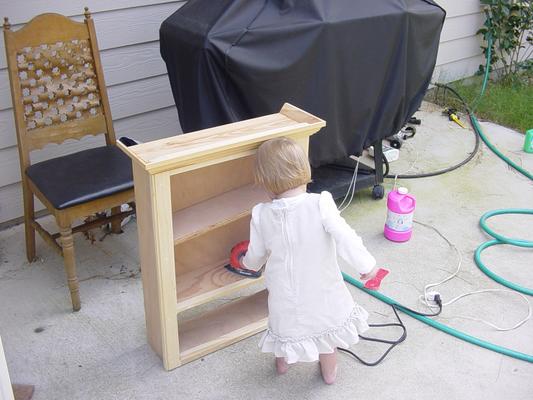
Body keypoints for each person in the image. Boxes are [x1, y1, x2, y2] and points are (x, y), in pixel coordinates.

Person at [241, 137, 378, 384]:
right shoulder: (320, 203)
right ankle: (329, 373)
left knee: (285, 331)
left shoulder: (261, 214)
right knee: (327, 336)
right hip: (322, 288)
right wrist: (366, 265)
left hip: (284, 293)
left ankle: (283, 364)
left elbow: (256, 254)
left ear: (264, 182)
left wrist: (247, 264)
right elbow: (345, 236)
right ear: (304, 169)